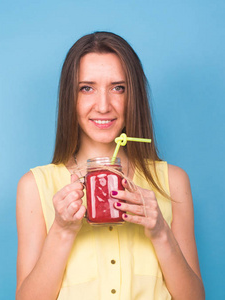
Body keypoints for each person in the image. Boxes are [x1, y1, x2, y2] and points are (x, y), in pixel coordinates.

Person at [15, 32, 205, 300]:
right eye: (86, 88)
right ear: (70, 97)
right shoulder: (34, 186)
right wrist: (62, 230)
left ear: (134, 96)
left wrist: (161, 232)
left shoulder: (173, 181)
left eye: (118, 88)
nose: (103, 106)